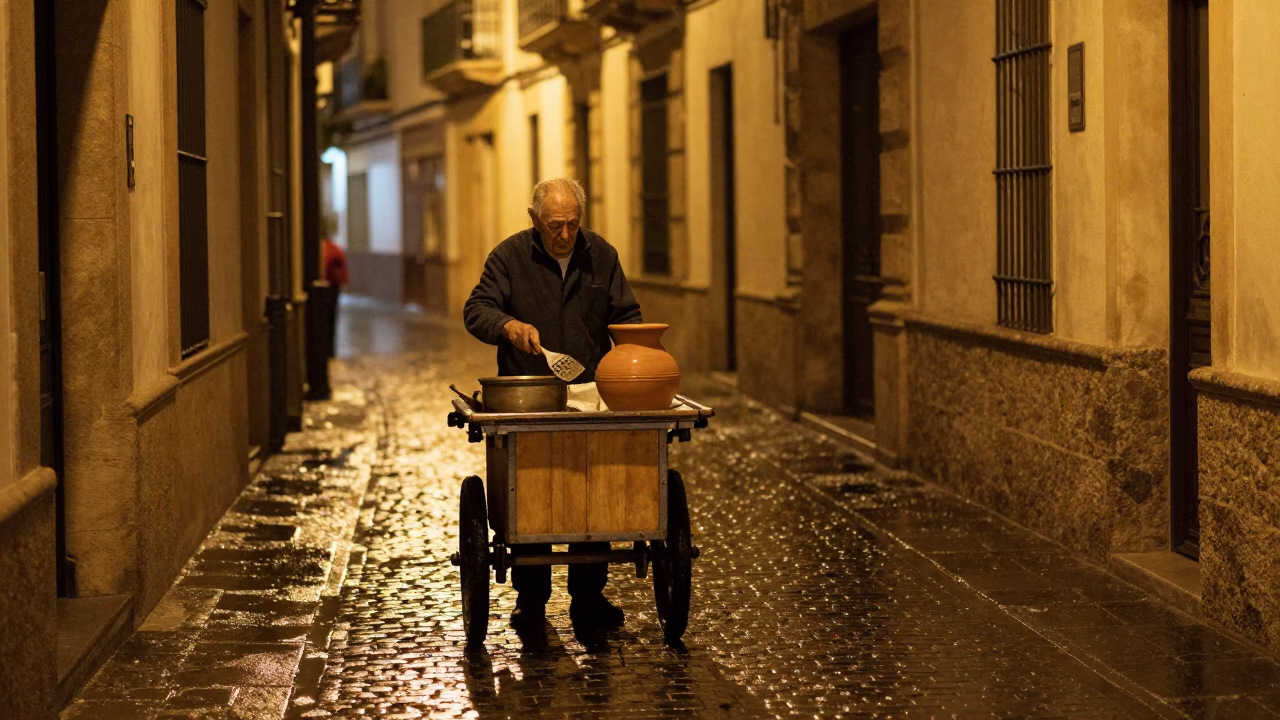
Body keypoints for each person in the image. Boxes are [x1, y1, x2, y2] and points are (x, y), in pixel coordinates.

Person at [463, 178, 642, 629]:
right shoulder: (509, 257)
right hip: (528, 393)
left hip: (588, 391)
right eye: (554, 226)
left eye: (572, 225)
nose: (564, 235)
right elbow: (477, 308)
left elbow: (627, 316)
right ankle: (532, 600)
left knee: (591, 492)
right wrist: (507, 326)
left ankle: (588, 596)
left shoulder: (600, 254)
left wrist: (628, 357)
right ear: (535, 221)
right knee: (533, 493)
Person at [320, 231, 348, 359]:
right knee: (330, 320)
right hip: (332, 287)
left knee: (327, 320)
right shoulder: (334, 249)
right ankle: (329, 349)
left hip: (328, 287)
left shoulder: (328, 249)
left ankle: (327, 349)